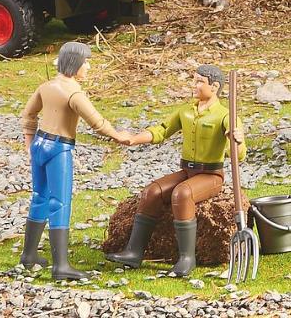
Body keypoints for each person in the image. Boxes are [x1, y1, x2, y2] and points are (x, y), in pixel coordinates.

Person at [106, 65, 245, 277]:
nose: (194, 85)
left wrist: (237, 140)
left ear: (214, 86)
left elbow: (239, 155)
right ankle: (133, 252)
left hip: (210, 175)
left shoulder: (225, 115)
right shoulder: (186, 111)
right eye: (194, 80)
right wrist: (134, 139)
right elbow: (161, 131)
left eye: (199, 81)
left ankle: (187, 258)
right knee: (152, 191)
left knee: (182, 194)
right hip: (187, 170)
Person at [20, 41, 134, 280]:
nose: (89, 66)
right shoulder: (73, 93)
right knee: (60, 202)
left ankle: (29, 255)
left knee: (39, 197)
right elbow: (97, 122)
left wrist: (29, 142)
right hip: (58, 148)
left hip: (40, 143)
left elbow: (29, 113)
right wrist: (119, 136)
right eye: (86, 62)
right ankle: (61, 265)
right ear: (75, 63)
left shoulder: (47, 86)